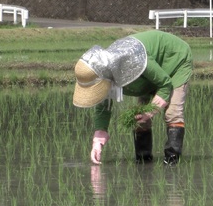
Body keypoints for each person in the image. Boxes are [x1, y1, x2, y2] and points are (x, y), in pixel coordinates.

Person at [72, 30, 193, 165]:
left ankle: (172, 162)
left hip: (174, 60)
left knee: (172, 113)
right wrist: (99, 138)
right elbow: (104, 105)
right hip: (148, 74)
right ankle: (143, 161)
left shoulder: (131, 59)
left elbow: (165, 84)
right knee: (139, 119)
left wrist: (151, 110)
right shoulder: (105, 71)